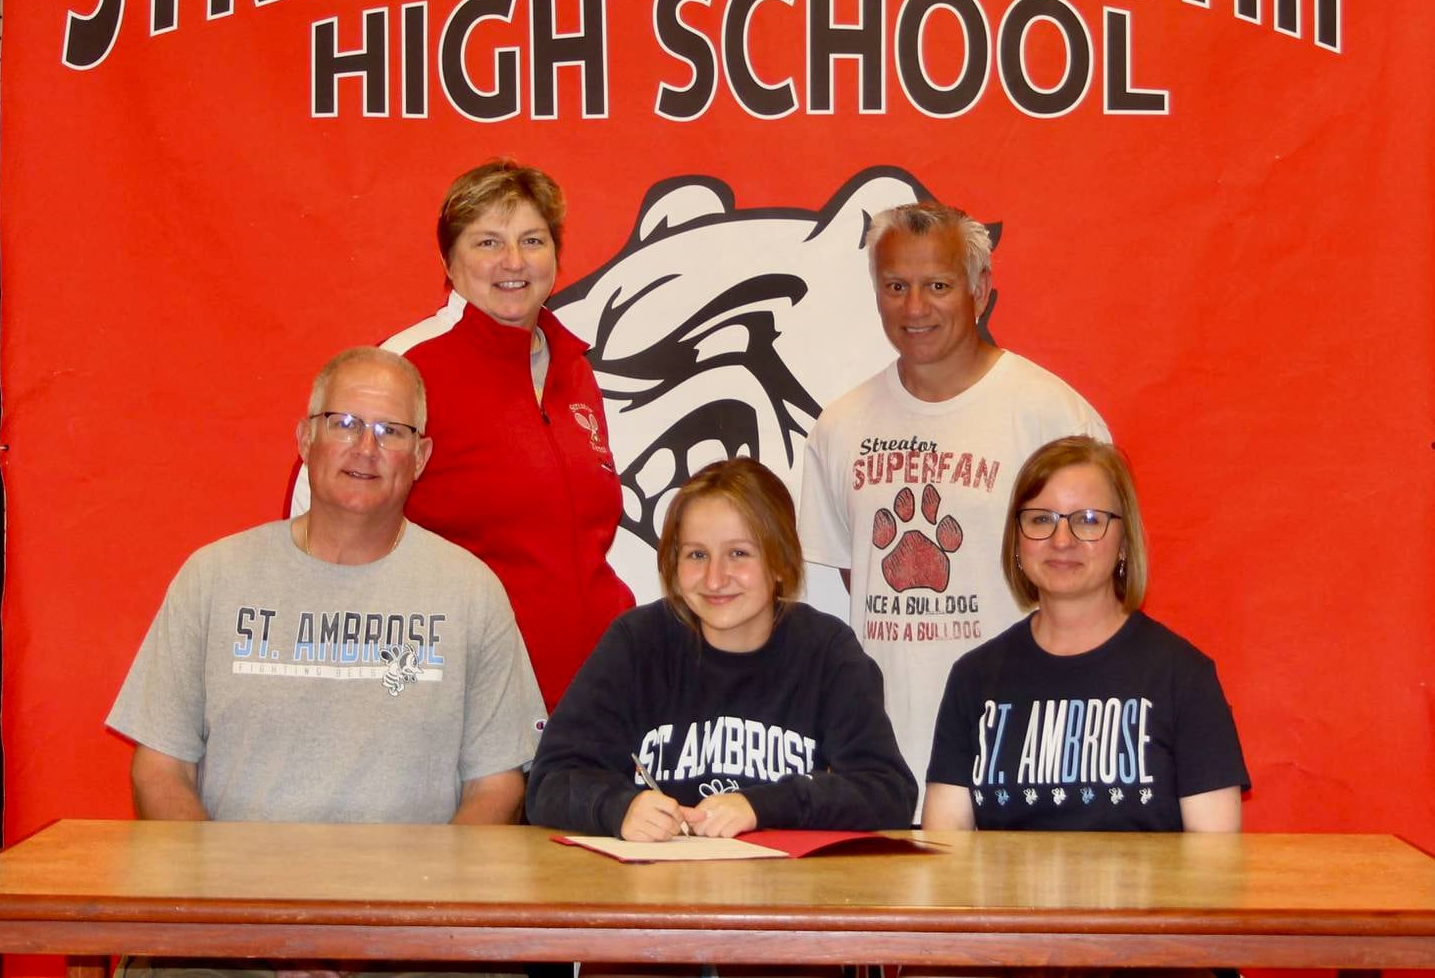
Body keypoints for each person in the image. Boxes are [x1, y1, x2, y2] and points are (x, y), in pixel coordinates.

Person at [111, 346, 545, 825]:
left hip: (409, 895)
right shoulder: (213, 578)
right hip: (241, 893)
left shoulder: (471, 592)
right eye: (344, 423)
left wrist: (433, 894)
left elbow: (498, 783)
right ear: (304, 438)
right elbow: (159, 769)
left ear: (420, 458)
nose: (366, 448)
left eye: (391, 431)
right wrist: (214, 888)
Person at [290, 158, 632, 712]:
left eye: (532, 240)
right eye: (488, 242)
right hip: (460, 707)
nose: (513, 262)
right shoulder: (406, 367)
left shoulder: (575, 368)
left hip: (591, 703)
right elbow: (316, 518)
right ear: (448, 260)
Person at [798, 201, 1108, 791]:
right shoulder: (839, 429)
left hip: (1021, 751)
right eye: (895, 286)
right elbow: (847, 589)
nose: (915, 308)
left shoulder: (1053, 417)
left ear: (981, 289)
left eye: (938, 285)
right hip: (886, 759)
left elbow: (1101, 597)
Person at [525, 458, 917, 840]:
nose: (715, 578)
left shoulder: (827, 650)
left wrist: (763, 806)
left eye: (739, 554)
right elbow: (549, 782)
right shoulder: (636, 643)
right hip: (655, 896)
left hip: (782, 898)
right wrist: (618, 807)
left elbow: (889, 792)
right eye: (697, 555)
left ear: (781, 561)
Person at [922, 436, 1248, 832]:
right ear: (1017, 540)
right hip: (1003, 897)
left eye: (1088, 520)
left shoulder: (1183, 678)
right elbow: (946, 851)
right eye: (1041, 518)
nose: (1062, 540)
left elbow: (1213, 867)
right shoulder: (973, 678)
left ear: (1124, 542)